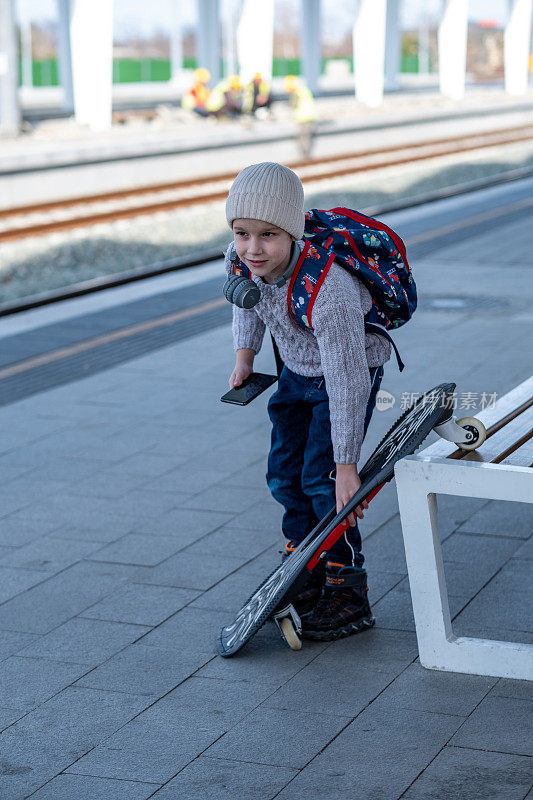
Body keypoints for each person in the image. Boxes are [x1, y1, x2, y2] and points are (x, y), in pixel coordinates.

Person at [224, 162, 391, 641]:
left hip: (347, 372)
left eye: (268, 236)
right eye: (242, 233)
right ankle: (305, 561)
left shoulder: (329, 288)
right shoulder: (242, 258)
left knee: (323, 482)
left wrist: (346, 464)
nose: (253, 249)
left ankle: (346, 588)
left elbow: (347, 378)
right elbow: (247, 302)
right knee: (284, 473)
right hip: (297, 370)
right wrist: (245, 356)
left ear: (292, 232)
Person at [283, 75, 316, 159]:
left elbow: (294, 104)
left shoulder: (297, 92)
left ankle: (306, 157)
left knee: (304, 137)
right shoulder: (303, 90)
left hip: (304, 118)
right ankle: (306, 156)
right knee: (306, 137)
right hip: (309, 117)